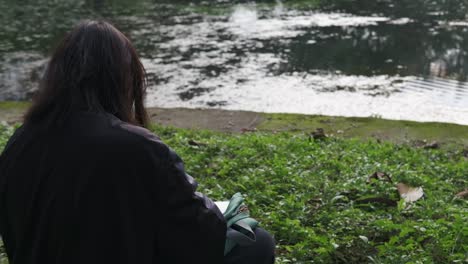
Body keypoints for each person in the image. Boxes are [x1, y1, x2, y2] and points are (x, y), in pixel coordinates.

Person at [0, 20, 275, 264]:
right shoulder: (137, 146)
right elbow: (200, 234)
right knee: (258, 243)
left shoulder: (20, 141)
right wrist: (225, 214)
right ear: (124, 78)